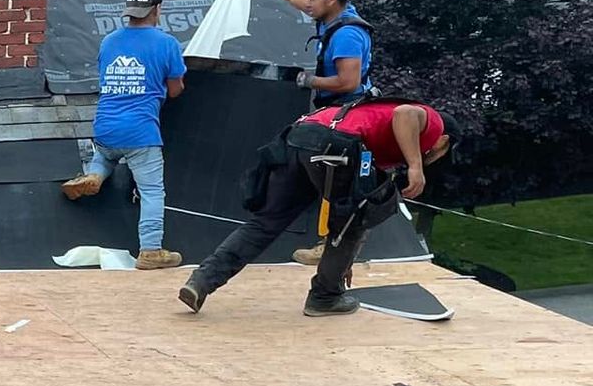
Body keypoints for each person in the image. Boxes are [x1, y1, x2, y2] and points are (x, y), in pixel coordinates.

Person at [177, 98, 452, 317]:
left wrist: (341, 261)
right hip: (334, 143)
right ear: (444, 142)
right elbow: (405, 113)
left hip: (299, 137)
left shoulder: (377, 126)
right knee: (352, 224)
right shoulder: (434, 124)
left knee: (266, 223)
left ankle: (201, 281)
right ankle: (325, 297)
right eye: (441, 154)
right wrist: (415, 166)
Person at [60, 0, 187, 269]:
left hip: (105, 126)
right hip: (140, 132)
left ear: (129, 11)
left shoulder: (109, 41)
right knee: (152, 191)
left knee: (106, 155)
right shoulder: (166, 43)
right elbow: (175, 89)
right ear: (157, 9)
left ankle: (94, 175)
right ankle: (151, 250)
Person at [246, 0, 373, 100]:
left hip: (349, 105)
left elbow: (348, 83)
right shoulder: (331, 12)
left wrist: (309, 80)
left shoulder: (347, 35)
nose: (308, 2)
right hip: (334, 102)